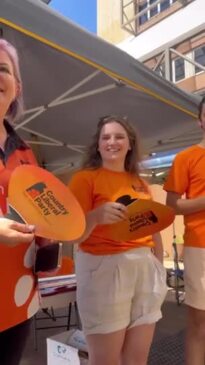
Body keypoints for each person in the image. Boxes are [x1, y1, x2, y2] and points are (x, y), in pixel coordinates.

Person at [68, 115, 167, 365]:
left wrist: (158, 264)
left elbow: (153, 227)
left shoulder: (140, 183)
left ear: (130, 144)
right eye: (106, 137)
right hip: (104, 268)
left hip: (144, 267)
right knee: (105, 360)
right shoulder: (84, 179)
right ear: (98, 145)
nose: (112, 141)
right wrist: (95, 216)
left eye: (119, 136)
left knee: (137, 359)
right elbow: (73, 235)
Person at [0, 39, 39, 365]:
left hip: (18, 297)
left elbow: (41, 208)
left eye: (3, 69)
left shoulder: (26, 151)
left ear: (17, 87)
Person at [164, 96, 205, 365]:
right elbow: (172, 206)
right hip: (200, 247)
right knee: (199, 321)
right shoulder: (186, 158)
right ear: (201, 120)